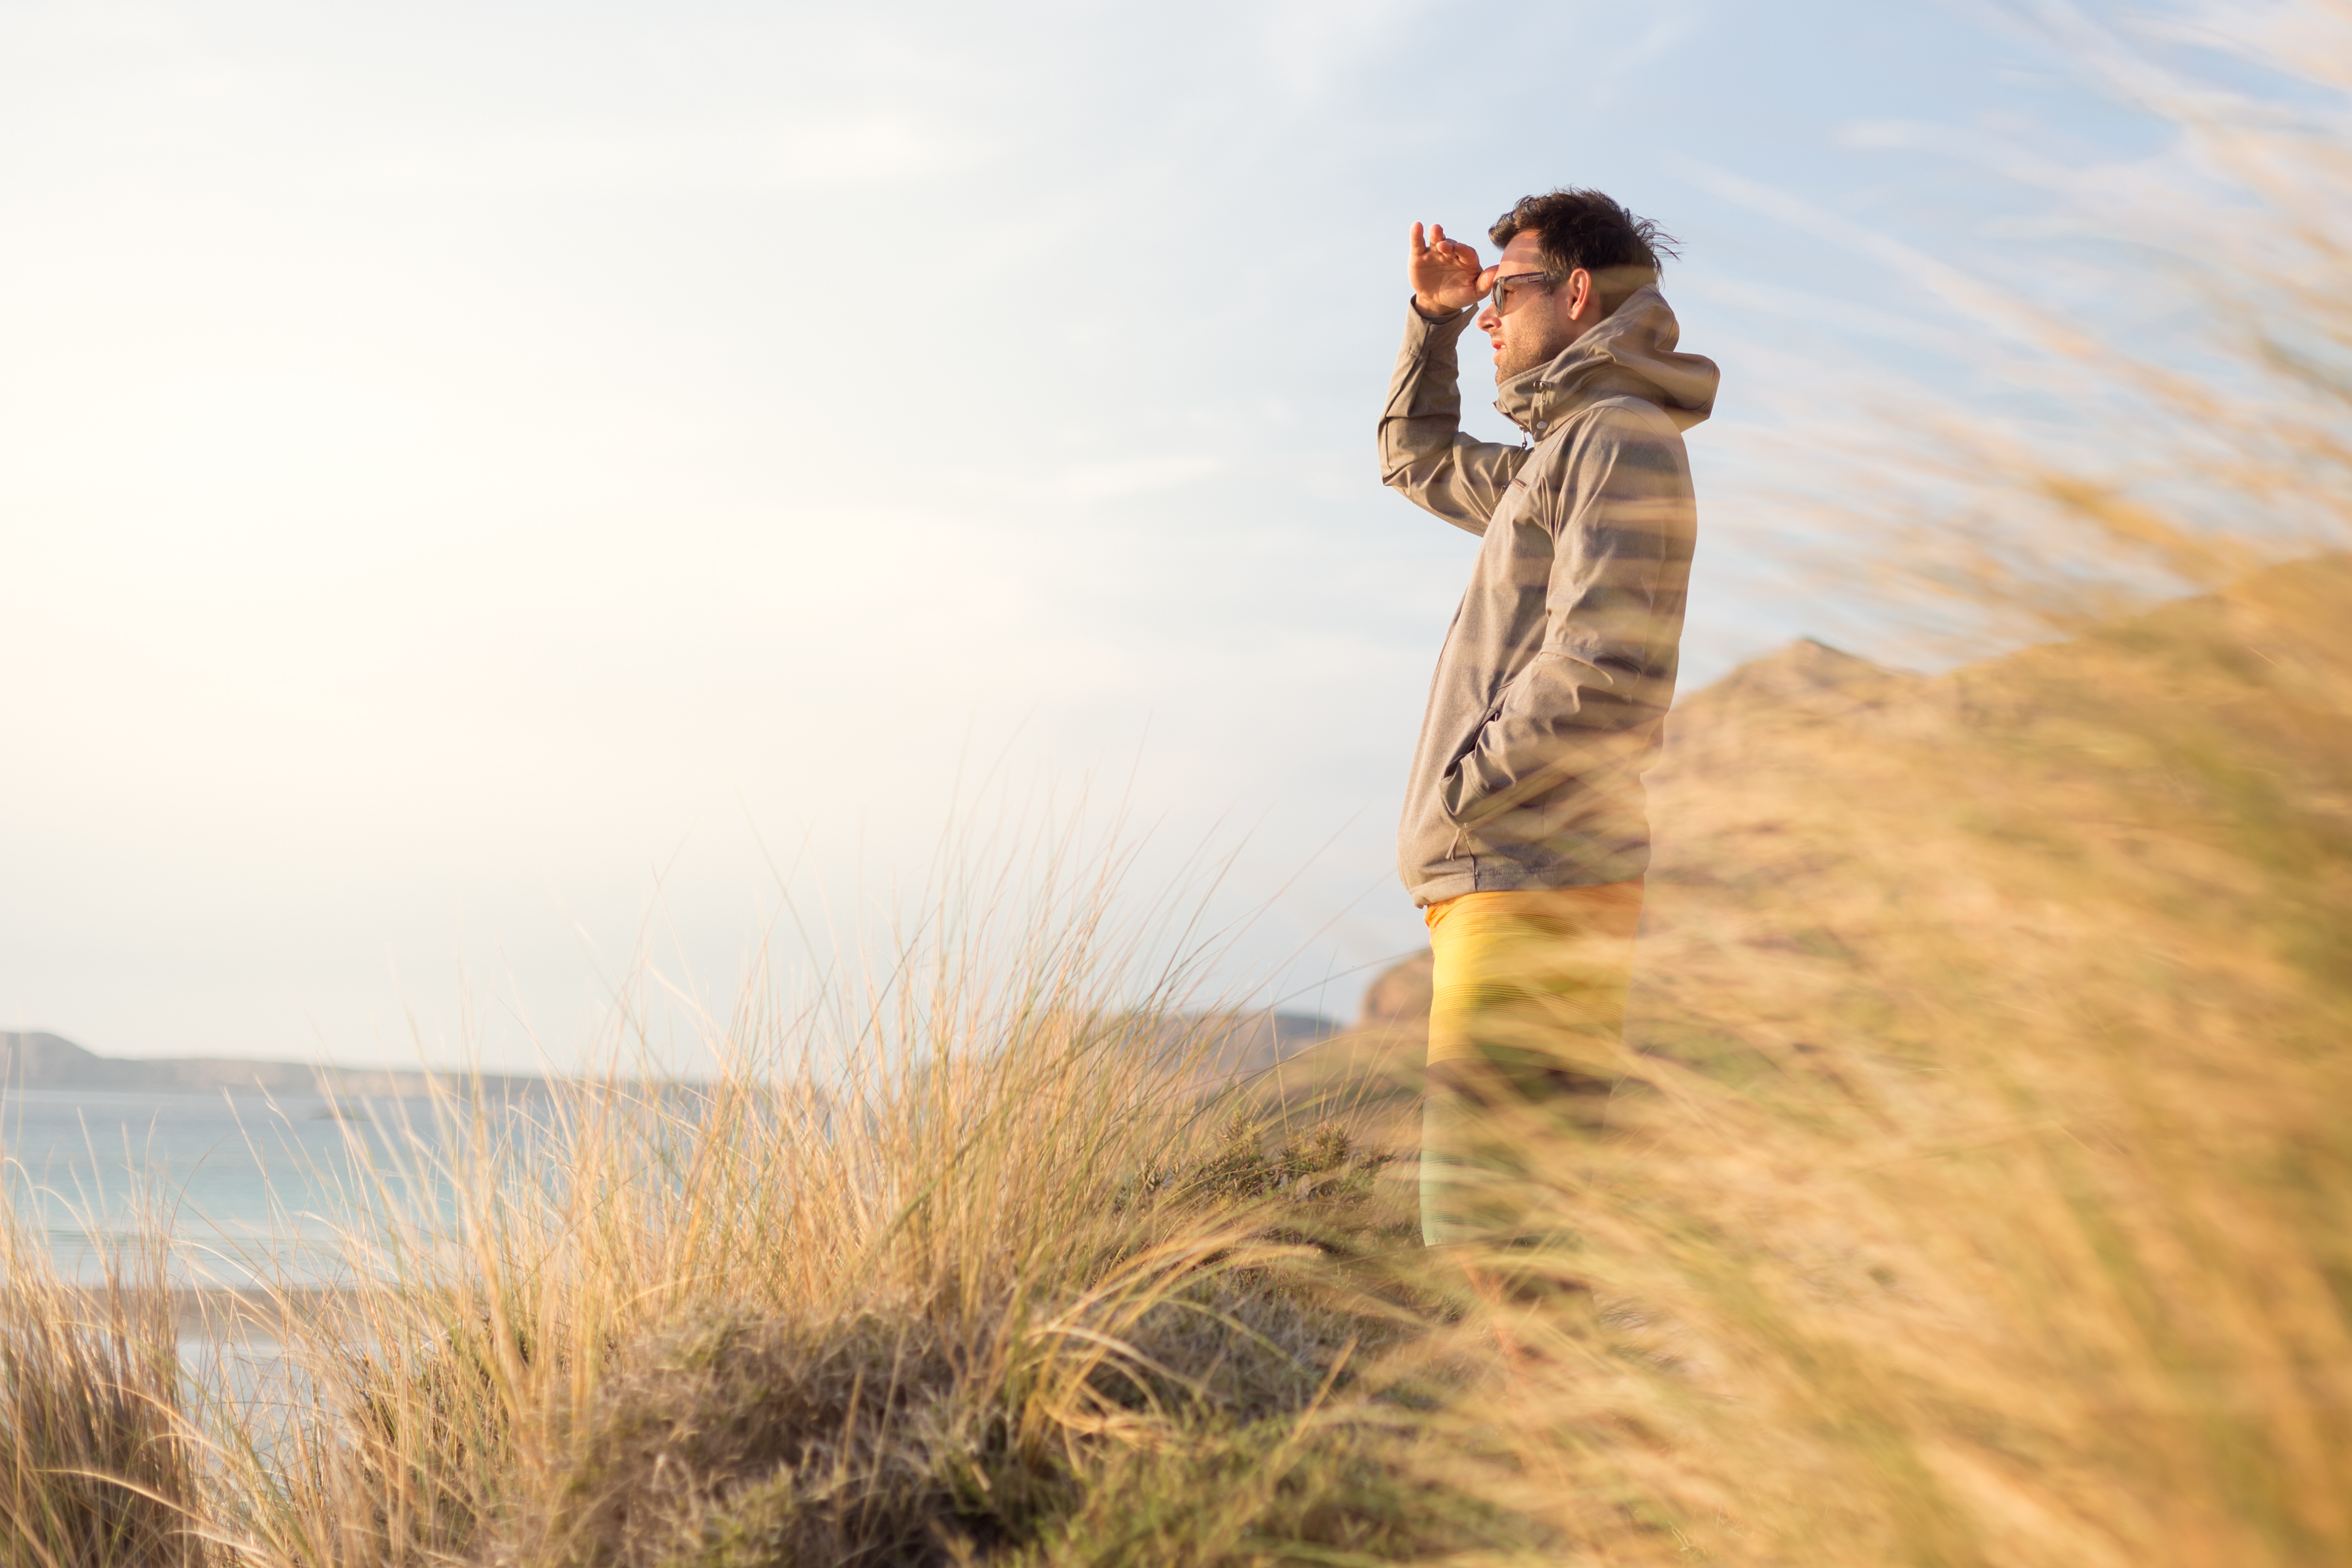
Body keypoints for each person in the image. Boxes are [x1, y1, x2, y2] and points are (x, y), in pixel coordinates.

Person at [1378, 188, 1717, 1250]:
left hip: (1531, 878)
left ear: (1576, 295)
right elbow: (1415, 457)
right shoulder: (1557, 459)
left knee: (1489, 1236)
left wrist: (1466, 793)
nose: (1488, 311)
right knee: (1515, 1236)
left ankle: (1584, 1422)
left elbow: (1601, 666)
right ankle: (1576, 1420)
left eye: (1504, 288)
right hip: (1515, 880)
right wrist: (1430, 323)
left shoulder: (1618, 440)